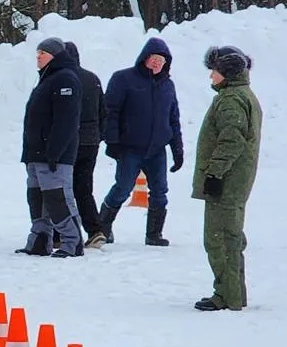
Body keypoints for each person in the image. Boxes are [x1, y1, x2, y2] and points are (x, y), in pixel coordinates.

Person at [96, 37, 186, 246]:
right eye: (154, 58)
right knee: (123, 188)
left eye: (162, 60)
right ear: (145, 58)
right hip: (130, 147)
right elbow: (111, 111)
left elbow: (173, 119)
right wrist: (113, 142)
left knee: (160, 191)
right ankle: (103, 226)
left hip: (157, 149)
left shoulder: (168, 86)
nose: (157, 63)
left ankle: (154, 234)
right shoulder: (123, 78)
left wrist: (178, 150)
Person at [192, 46, 262, 311]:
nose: (211, 76)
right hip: (236, 180)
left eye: (215, 71)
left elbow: (232, 139)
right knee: (230, 236)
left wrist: (215, 173)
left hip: (227, 181)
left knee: (219, 238)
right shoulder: (242, 95)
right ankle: (233, 292)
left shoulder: (231, 99)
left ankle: (227, 295)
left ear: (228, 73)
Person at [17, 37, 84, 258]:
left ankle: (72, 242)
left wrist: (55, 151)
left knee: (57, 198)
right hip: (36, 153)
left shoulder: (65, 79)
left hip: (53, 155)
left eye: (42, 54)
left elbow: (66, 121)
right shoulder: (48, 78)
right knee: (36, 198)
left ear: (54, 56)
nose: (38, 58)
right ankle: (39, 240)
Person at [64, 42, 106, 243]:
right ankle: (95, 229)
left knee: (62, 188)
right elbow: (103, 112)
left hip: (69, 141)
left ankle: (63, 233)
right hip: (91, 141)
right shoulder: (92, 78)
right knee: (84, 188)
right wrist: (99, 135)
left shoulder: (62, 79)